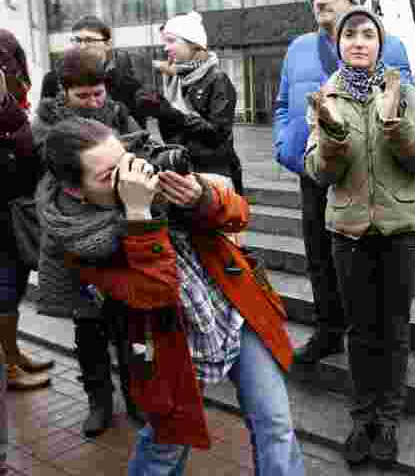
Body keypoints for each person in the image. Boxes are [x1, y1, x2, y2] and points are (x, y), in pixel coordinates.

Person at [39, 117, 305, 475]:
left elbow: (239, 215)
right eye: (107, 177)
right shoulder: (77, 240)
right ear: (76, 190)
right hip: (169, 345)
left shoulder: (153, 168)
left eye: (122, 162)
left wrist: (202, 198)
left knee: (276, 426)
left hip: (230, 311)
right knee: (166, 447)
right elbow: (156, 292)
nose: (125, 177)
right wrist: (138, 216)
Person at [304, 7, 415, 467]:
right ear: (338, 44)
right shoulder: (326, 96)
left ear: (381, 43)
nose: (359, 42)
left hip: (400, 230)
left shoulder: (407, 93)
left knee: (394, 329)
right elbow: (319, 172)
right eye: (350, 35)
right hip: (348, 230)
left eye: (368, 34)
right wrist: (332, 132)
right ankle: (362, 418)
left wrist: (393, 121)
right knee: (361, 331)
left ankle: (389, 420)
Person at [274, 0, 413, 365]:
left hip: (363, 177)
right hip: (313, 171)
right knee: (318, 256)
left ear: (353, 0)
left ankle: (366, 337)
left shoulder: (388, 44)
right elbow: (283, 104)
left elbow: (404, 104)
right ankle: (328, 330)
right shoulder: (298, 48)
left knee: (360, 264)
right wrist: (286, 145)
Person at [33, 47, 146, 435]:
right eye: (83, 96)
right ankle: (99, 400)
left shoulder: (116, 113)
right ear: (64, 91)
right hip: (74, 232)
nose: (93, 102)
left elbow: (140, 144)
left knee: (130, 328)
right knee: (89, 331)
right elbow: (48, 164)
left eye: (98, 93)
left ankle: (136, 397)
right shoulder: (47, 121)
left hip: (117, 232)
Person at [138, 11, 244, 194]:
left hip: (213, 175)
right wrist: (158, 111)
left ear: (193, 43)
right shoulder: (178, 79)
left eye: (171, 41)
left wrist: (171, 113)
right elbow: (174, 135)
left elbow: (218, 135)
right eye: (165, 42)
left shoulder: (218, 80)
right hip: (183, 171)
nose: (165, 48)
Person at [0, 30, 51, 393]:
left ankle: (13, 353)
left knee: (14, 285)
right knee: (3, 287)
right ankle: (7, 366)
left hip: (15, 208)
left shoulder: (12, 109)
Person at [41, 15, 147, 125]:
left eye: (89, 40)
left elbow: (137, 136)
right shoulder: (52, 80)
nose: (81, 46)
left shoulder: (128, 86)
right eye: (77, 40)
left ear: (108, 44)